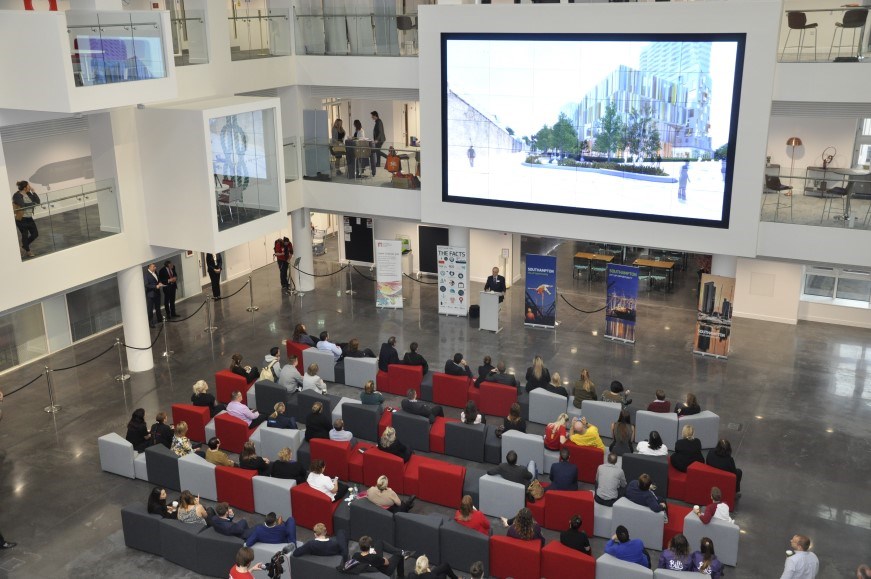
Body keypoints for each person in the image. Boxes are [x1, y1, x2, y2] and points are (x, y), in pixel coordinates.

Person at [12, 180, 40, 257]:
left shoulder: (28, 193)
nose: (30, 187)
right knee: (25, 234)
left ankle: (24, 246)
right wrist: (32, 203)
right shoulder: (17, 195)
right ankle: (28, 251)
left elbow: (38, 201)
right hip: (21, 219)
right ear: (25, 188)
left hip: (29, 218)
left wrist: (33, 192)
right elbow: (23, 205)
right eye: (28, 186)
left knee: (35, 234)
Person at [144, 263, 164, 328]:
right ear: (149, 267)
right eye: (153, 267)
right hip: (151, 295)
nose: (155, 268)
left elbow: (157, 280)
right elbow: (146, 285)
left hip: (157, 293)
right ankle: (151, 323)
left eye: (155, 266)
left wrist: (159, 283)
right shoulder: (146, 275)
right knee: (150, 309)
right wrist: (155, 286)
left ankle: (160, 319)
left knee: (158, 307)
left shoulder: (155, 272)